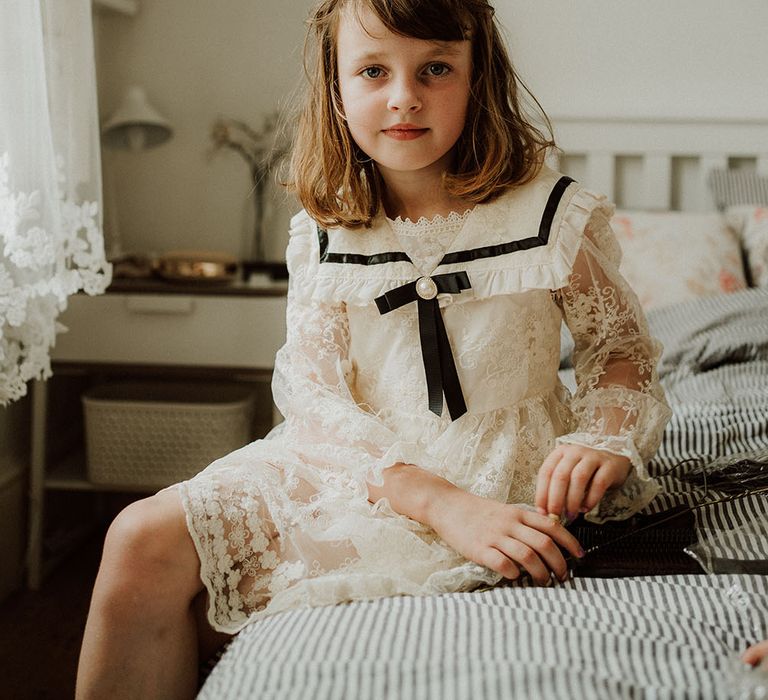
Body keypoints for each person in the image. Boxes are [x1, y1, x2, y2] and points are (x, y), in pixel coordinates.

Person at [75, 0, 672, 697]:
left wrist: (604, 438)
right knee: (138, 537)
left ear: (479, 79)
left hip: (497, 463)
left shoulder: (547, 213)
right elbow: (314, 397)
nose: (403, 98)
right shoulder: (322, 233)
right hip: (361, 464)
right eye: (372, 71)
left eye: (436, 68)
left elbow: (620, 348)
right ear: (336, 89)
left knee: (218, 596)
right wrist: (436, 500)